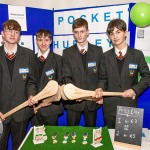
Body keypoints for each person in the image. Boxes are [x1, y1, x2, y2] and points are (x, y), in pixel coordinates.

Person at [95, 18, 150, 129]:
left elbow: (147, 77)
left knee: (127, 144)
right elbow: (102, 79)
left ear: (125, 33)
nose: (115, 36)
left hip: (129, 106)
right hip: (110, 107)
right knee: (110, 142)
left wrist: (134, 90)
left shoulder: (137, 55)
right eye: (112, 33)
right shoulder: (105, 57)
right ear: (109, 36)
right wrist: (100, 88)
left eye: (118, 32)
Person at [0, 19, 37, 150]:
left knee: (19, 146)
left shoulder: (28, 54)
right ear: (2, 33)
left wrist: (31, 95)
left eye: (16, 32)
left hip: (21, 112)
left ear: (19, 35)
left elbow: (31, 81)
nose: (12, 34)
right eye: (9, 31)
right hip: (1, 113)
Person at [62, 18, 103, 127]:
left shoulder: (98, 50)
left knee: (91, 136)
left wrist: (100, 92)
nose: (79, 35)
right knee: (71, 135)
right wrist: (75, 93)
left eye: (82, 31)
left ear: (87, 32)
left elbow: (102, 76)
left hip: (91, 102)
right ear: (73, 34)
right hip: (73, 103)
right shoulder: (67, 53)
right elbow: (66, 76)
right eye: (76, 32)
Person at [31, 29, 63, 126]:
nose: (43, 43)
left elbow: (61, 83)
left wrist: (49, 99)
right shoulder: (31, 59)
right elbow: (29, 82)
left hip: (51, 108)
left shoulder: (58, 59)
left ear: (51, 41)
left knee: (51, 139)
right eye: (40, 40)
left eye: (46, 39)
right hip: (35, 108)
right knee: (36, 139)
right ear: (36, 41)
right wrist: (33, 98)